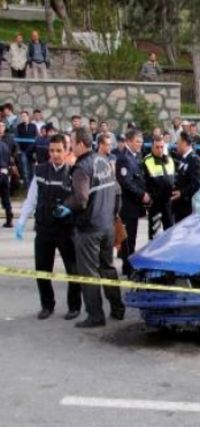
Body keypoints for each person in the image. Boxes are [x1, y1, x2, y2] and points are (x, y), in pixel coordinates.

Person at [57, 127, 125, 328]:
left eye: (71, 142)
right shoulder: (103, 160)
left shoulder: (81, 168)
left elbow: (81, 198)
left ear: (80, 144)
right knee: (108, 269)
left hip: (89, 229)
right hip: (107, 226)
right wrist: (113, 215)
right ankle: (118, 308)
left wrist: (66, 207)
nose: (69, 145)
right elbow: (117, 191)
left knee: (88, 274)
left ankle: (95, 315)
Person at [15, 133, 81, 320]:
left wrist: (70, 211)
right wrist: (21, 222)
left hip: (66, 230)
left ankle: (74, 307)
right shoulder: (40, 171)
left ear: (67, 151)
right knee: (42, 270)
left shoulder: (74, 172)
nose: (55, 154)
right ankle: (47, 305)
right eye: (52, 151)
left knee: (73, 271)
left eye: (59, 150)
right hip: (44, 229)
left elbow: (81, 200)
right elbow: (30, 200)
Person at [115, 130, 149, 276]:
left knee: (132, 237)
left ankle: (129, 266)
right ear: (128, 141)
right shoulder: (124, 158)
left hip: (135, 205)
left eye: (141, 142)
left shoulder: (134, 156)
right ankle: (127, 268)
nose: (140, 145)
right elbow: (126, 182)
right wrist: (142, 195)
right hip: (128, 206)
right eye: (137, 142)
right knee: (128, 239)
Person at [142, 135, 176, 239]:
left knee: (170, 231)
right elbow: (144, 182)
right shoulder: (147, 161)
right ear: (152, 147)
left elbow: (173, 179)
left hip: (168, 202)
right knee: (154, 233)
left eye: (161, 146)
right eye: (157, 147)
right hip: (155, 203)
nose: (160, 149)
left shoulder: (169, 159)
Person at [172, 132, 200, 222]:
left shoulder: (194, 160)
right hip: (179, 207)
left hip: (188, 208)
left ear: (185, 143)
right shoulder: (183, 159)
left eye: (178, 143)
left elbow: (197, 183)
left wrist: (182, 193)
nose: (176, 146)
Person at [16, 110, 37, 186]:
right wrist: (19, 150)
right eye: (22, 116)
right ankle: (28, 186)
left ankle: (33, 185)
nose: (23, 118)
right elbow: (17, 139)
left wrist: (35, 150)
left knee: (33, 169)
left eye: (24, 116)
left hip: (32, 151)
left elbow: (35, 138)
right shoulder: (19, 127)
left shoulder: (33, 126)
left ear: (28, 116)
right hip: (23, 151)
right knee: (25, 169)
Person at [0, 122, 14, 227]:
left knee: (5, 196)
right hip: (5, 172)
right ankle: (9, 219)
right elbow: (10, 159)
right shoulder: (5, 144)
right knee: (6, 197)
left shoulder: (4, 143)